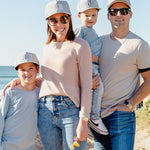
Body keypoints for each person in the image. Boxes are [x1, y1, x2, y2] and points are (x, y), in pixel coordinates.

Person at [1, 0, 93, 150]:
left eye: (63, 18)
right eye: (53, 20)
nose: (59, 24)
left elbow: (87, 85)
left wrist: (83, 120)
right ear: (48, 23)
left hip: (70, 111)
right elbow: (47, 78)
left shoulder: (80, 46)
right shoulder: (46, 47)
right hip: (45, 111)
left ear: (69, 18)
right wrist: (21, 81)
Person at [91, 0, 150, 149]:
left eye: (123, 11)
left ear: (130, 14)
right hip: (98, 118)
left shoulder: (139, 45)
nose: (118, 15)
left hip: (121, 116)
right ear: (108, 16)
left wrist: (130, 104)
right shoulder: (99, 42)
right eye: (114, 11)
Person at [75, 0, 108, 135]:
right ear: (79, 16)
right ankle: (93, 117)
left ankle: (89, 119)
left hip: (94, 66)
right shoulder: (80, 30)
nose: (90, 18)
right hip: (87, 66)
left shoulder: (92, 31)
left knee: (95, 91)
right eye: (86, 15)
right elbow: (73, 49)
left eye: (93, 15)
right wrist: (88, 56)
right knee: (98, 88)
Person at [0, 52, 40, 150]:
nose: (27, 73)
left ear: (37, 70)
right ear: (18, 73)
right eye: (22, 70)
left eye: (31, 68)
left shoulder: (40, 93)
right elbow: (1, 118)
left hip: (29, 146)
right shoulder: (10, 92)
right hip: (7, 146)